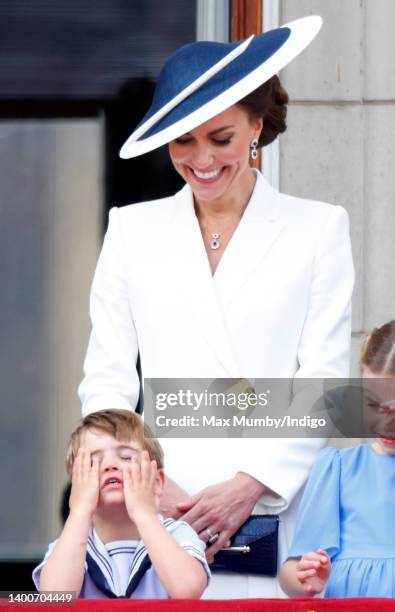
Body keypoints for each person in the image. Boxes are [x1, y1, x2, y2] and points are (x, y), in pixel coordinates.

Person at [78, 15, 355, 597]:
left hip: (277, 515)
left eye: (220, 138)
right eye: (182, 139)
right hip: (156, 513)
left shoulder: (318, 228)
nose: (201, 159)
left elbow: (326, 381)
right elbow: (105, 383)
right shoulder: (131, 230)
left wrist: (252, 483)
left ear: (257, 125)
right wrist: (147, 482)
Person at [32, 410, 210, 598]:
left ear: (156, 482)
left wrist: (144, 514)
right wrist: (79, 511)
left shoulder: (176, 534)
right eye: (94, 461)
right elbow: (55, 598)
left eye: (125, 457)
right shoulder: (70, 542)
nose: (110, 464)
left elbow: (188, 590)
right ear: (78, 484)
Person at [279, 320, 395, 598]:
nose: (385, 422)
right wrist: (305, 575)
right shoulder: (338, 468)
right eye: (372, 405)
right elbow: (291, 573)